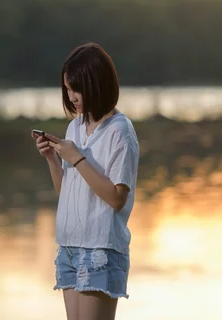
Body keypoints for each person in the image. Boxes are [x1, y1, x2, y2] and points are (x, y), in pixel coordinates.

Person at [31, 42, 140, 320]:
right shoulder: (75, 127)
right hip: (69, 246)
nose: (72, 96)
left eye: (76, 88)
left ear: (97, 84)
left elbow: (117, 198)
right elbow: (68, 192)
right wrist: (53, 159)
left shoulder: (120, 131)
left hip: (100, 248)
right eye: (67, 89)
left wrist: (77, 158)